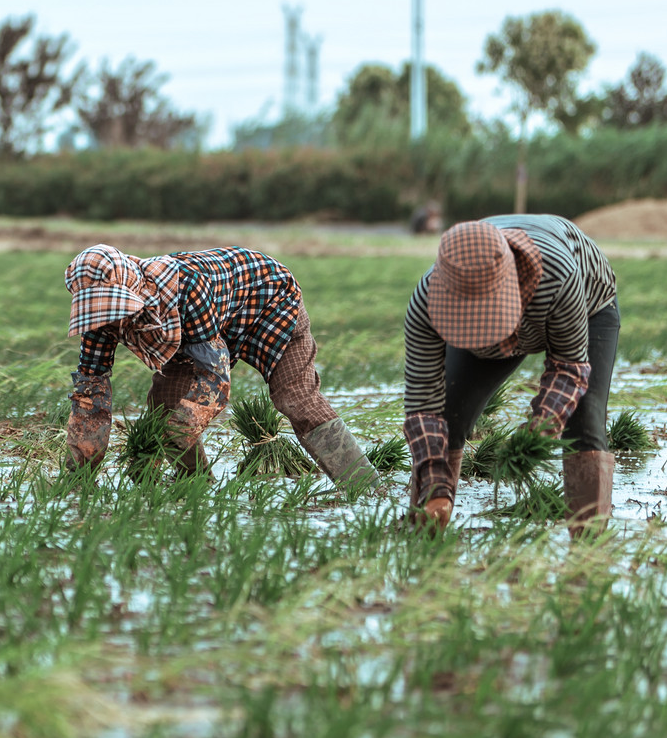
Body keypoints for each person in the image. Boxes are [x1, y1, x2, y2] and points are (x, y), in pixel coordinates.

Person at [61, 243, 376, 488]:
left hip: (269, 302)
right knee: (165, 407)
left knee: (295, 396)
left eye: (115, 308)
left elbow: (214, 377)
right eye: (103, 311)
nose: (112, 319)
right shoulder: (99, 321)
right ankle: (195, 484)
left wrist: (182, 429)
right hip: (207, 327)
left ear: (132, 291)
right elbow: (91, 400)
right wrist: (79, 475)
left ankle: (364, 486)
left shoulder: (184, 286)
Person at [402, 214, 619, 533]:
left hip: (588, 306)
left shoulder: (557, 275)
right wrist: (436, 488)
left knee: (584, 419)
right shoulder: (426, 303)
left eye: (489, 320)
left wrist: (536, 434)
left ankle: (589, 545)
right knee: (449, 414)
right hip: (510, 303)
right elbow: (424, 407)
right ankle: (426, 526)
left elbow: (568, 368)